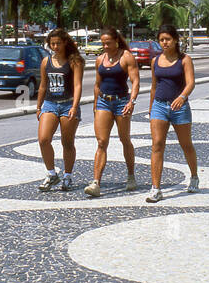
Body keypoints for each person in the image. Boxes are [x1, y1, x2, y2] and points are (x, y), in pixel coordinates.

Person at [84, 26, 141, 197]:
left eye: (108, 43)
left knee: (125, 139)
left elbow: (135, 81)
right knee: (101, 142)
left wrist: (132, 101)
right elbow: (97, 83)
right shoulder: (100, 59)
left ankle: (131, 175)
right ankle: (96, 183)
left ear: (116, 41)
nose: (106, 46)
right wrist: (95, 105)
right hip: (103, 101)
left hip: (121, 102)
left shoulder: (126, 57)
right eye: (103, 43)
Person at [147, 24, 198, 204]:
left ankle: (194, 176)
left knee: (186, 144)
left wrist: (182, 97)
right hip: (159, 106)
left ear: (175, 40)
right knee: (157, 144)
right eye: (161, 40)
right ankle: (156, 188)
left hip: (180, 107)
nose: (164, 43)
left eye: (167, 39)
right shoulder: (155, 61)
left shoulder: (184, 60)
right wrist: (151, 107)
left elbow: (191, 83)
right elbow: (154, 86)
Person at [36, 28, 85, 191]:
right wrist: (38, 106)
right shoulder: (46, 62)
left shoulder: (74, 61)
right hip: (50, 104)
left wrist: (74, 106)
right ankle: (51, 174)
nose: (55, 47)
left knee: (67, 142)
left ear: (65, 43)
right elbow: (43, 85)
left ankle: (67, 175)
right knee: (43, 139)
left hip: (67, 104)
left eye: (58, 43)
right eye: (52, 44)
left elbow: (78, 85)